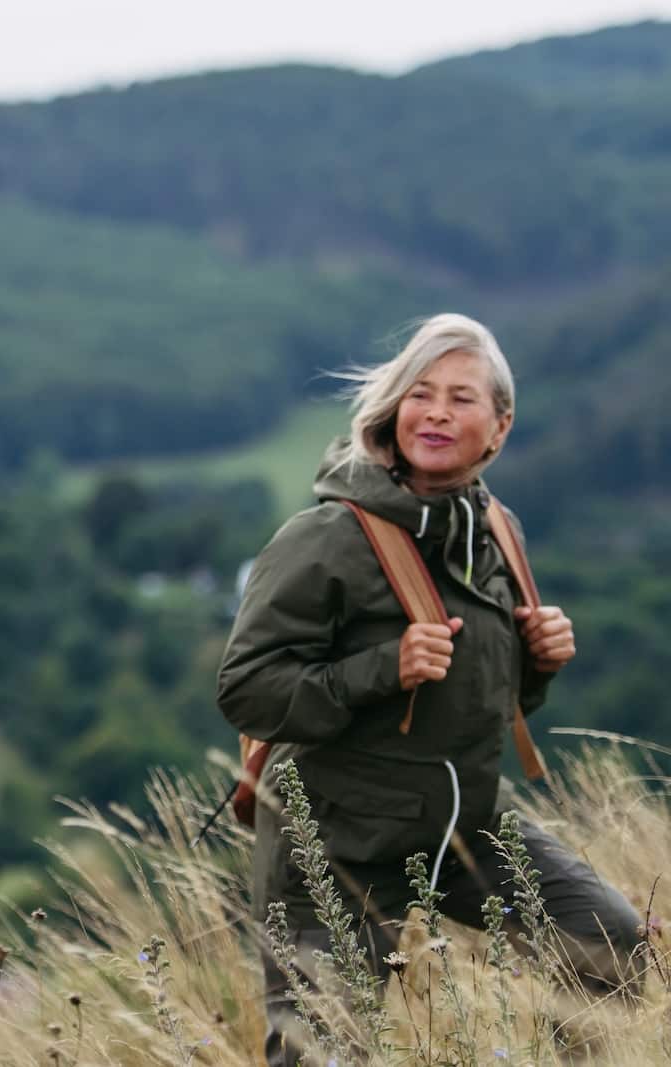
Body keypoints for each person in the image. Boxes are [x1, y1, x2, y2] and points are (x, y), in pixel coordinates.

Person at [217, 313, 642, 1065]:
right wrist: (381, 668)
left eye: (461, 397)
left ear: (500, 428)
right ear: (392, 409)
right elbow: (247, 690)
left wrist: (534, 664)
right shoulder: (327, 537)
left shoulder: (494, 529)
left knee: (612, 953)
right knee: (320, 1054)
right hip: (334, 842)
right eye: (421, 392)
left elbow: (465, 708)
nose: (438, 411)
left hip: (463, 822)